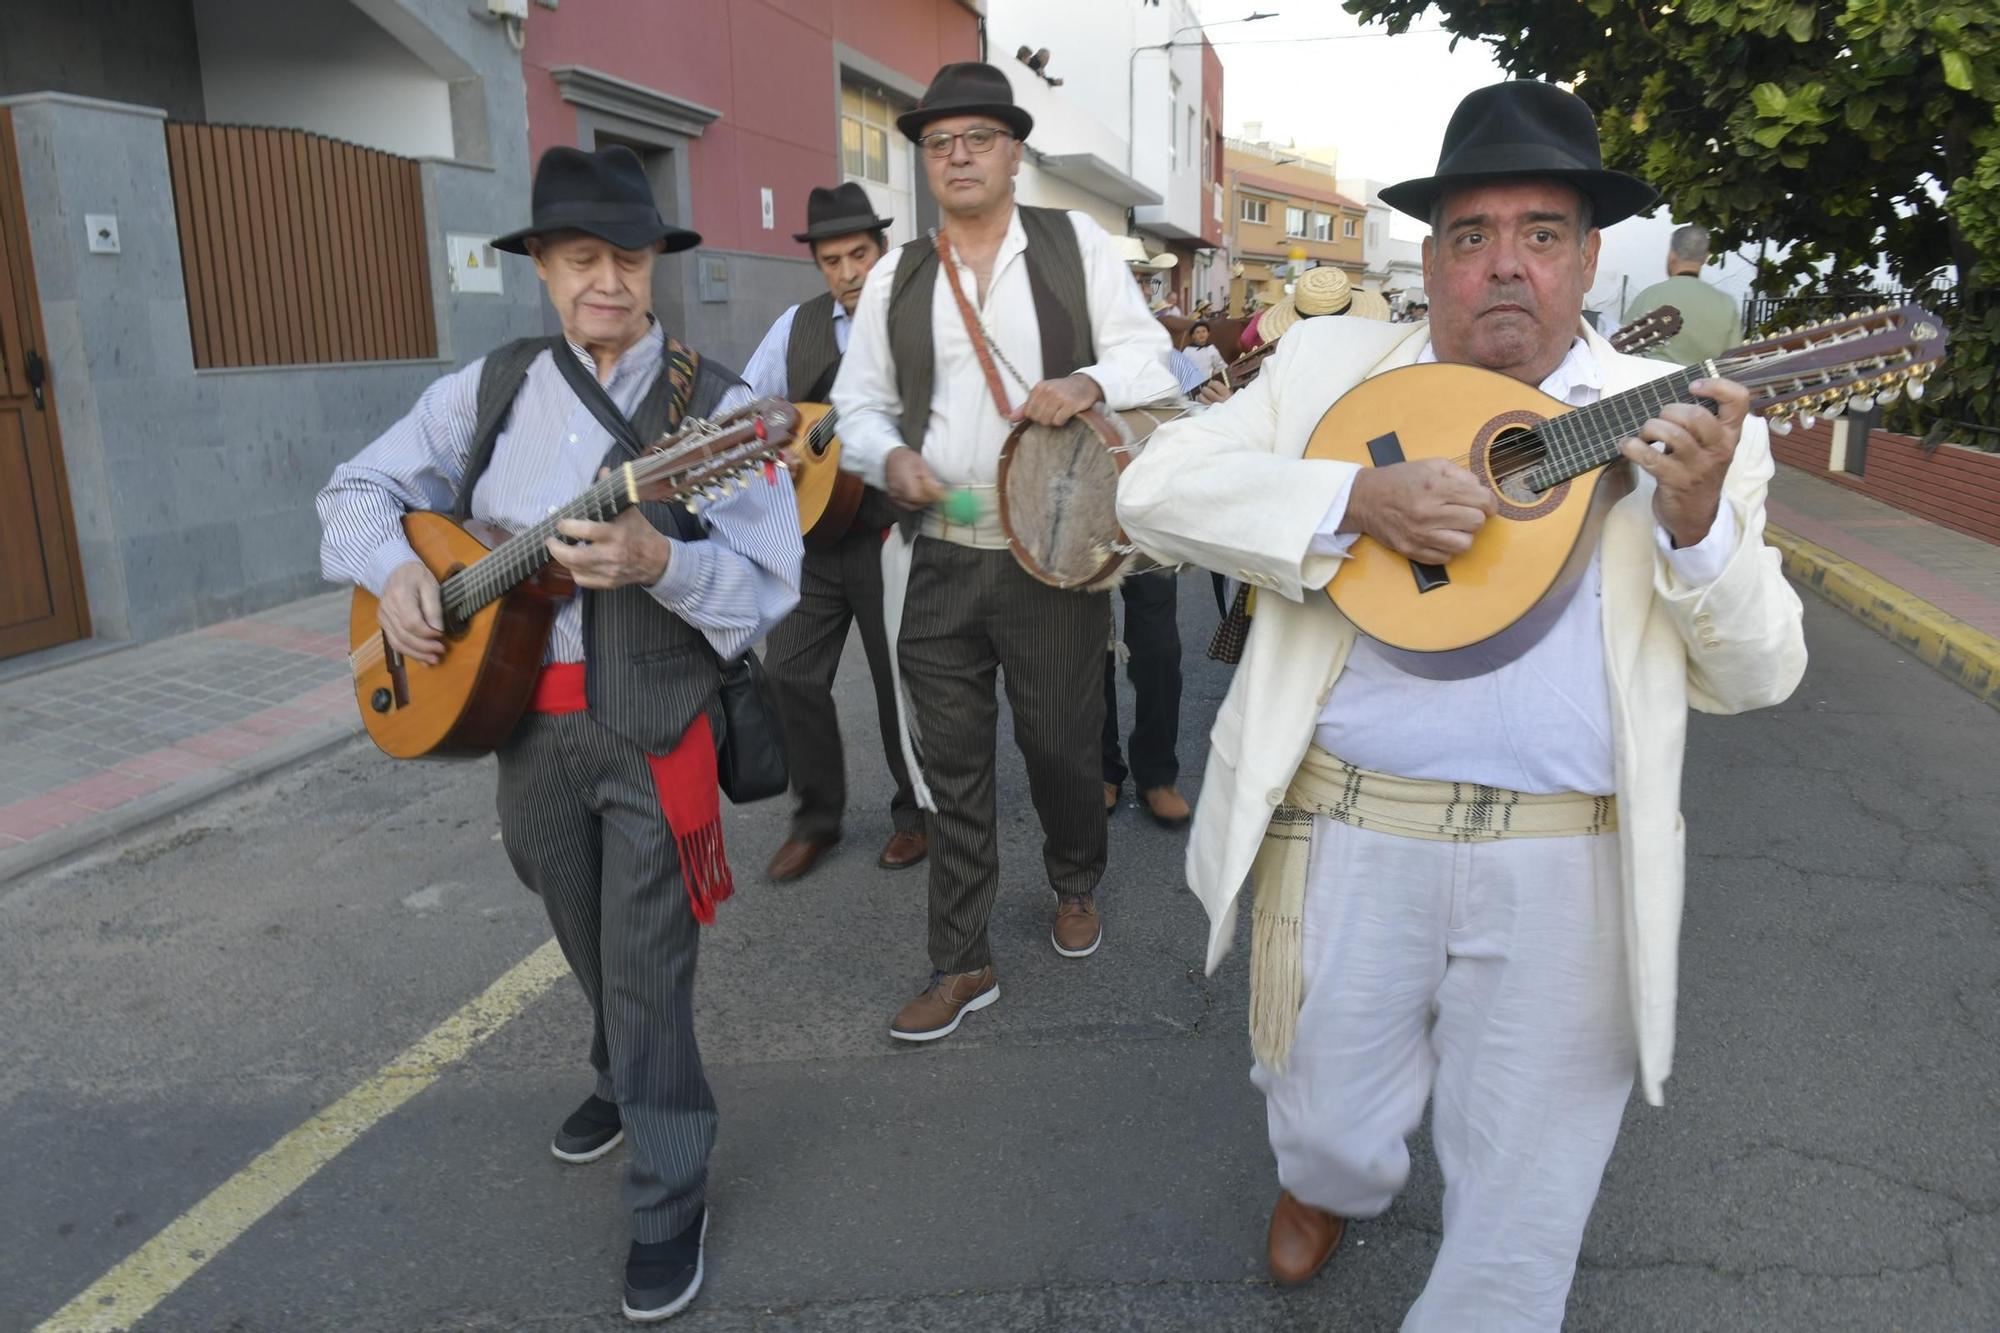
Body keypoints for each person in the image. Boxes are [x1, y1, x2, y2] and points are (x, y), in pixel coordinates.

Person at [1115, 81, 1806, 1329]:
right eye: (1470, 236)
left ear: (1588, 258)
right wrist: (1344, 505)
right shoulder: (1329, 367)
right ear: (1429, 259)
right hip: (1345, 834)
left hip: (1568, 862)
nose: (1505, 268)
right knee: (1320, 1112)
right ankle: (1330, 1178)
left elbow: (1759, 676)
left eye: (1540, 235)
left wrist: (1695, 530)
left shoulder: (1690, 421)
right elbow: (1150, 493)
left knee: (1520, 1221)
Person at [316, 146, 802, 1323]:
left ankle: (665, 1192)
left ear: (653, 270)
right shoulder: (485, 390)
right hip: (522, 731)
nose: (607, 281)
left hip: (652, 728)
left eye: (627, 259)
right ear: (542, 268)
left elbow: (770, 583)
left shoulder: (718, 411)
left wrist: (661, 560)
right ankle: (615, 1074)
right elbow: (352, 492)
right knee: (572, 919)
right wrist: (394, 576)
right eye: (581, 258)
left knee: (646, 970)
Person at [833, 61, 1178, 1041]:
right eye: (938, 143)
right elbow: (854, 407)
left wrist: (1084, 377)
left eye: (977, 138)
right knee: (948, 768)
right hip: (936, 549)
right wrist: (886, 454)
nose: (956, 156)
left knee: (1062, 744)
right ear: (924, 163)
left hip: (1051, 551)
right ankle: (961, 958)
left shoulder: (1076, 246)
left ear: (1015, 153)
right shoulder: (896, 273)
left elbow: (1153, 358)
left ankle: (1074, 876)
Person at [741, 183, 927, 882]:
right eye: (831, 260)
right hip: (815, 534)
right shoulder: (797, 324)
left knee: (897, 684)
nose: (847, 273)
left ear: (882, 254)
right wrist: (776, 439)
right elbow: (748, 404)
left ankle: (918, 812)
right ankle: (816, 816)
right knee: (788, 671)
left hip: (889, 535)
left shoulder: (920, 326)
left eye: (859, 255)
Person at [1625, 222, 1745, 363]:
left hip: (1657, 384)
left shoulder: (1649, 296)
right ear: (1705, 257)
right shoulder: (1727, 304)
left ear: (1672, 255)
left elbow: (1623, 351)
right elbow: (1734, 359)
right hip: (1706, 383)